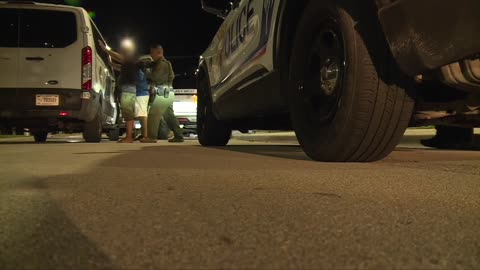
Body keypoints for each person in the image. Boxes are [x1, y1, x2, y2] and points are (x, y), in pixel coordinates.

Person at [100, 39, 155, 143]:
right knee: (131, 114)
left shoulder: (133, 60)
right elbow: (121, 66)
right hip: (130, 90)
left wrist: (105, 50)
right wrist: (111, 65)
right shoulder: (131, 64)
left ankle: (134, 136)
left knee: (133, 113)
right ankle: (133, 136)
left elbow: (120, 59)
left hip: (132, 90)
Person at [146, 44, 183, 142]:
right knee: (169, 116)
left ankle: (152, 137)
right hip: (167, 92)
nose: (151, 55)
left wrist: (147, 74)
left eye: (152, 53)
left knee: (153, 114)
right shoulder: (161, 63)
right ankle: (179, 136)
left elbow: (156, 78)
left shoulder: (162, 64)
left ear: (159, 53)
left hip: (163, 92)